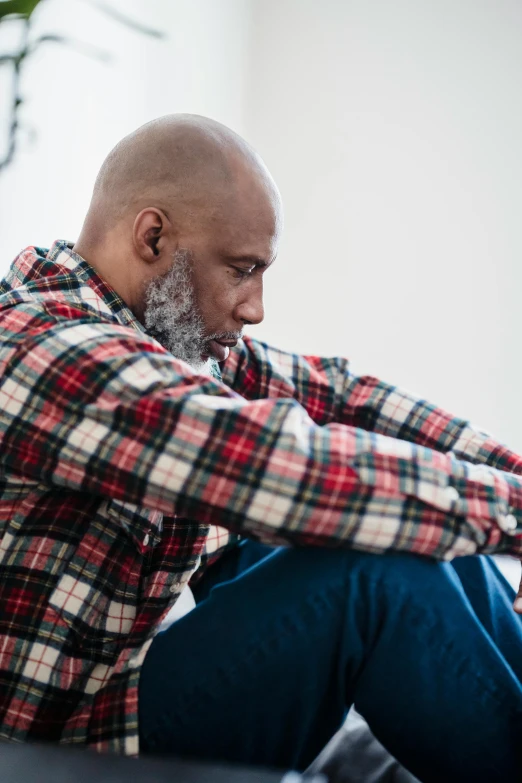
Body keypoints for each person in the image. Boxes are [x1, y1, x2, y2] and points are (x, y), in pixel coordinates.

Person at [0, 114, 521, 783]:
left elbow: (342, 397)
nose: (255, 308)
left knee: (440, 540)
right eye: (242, 270)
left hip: (115, 698)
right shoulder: (43, 351)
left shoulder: (167, 343)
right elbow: (286, 469)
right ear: (152, 236)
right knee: (370, 573)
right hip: (67, 743)